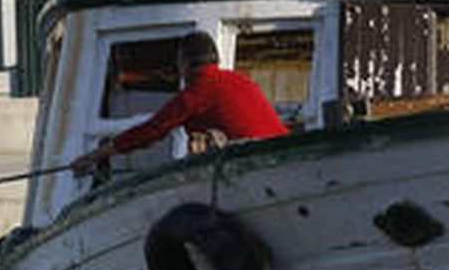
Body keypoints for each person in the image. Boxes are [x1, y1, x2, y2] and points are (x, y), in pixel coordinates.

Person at [69, 31, 289, 174]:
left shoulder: (195, 93)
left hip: (261, 166)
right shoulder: (242, 81)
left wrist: (93, 156)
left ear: (183, 64)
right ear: (216, 59)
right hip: (284, 157)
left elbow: (150, 132)